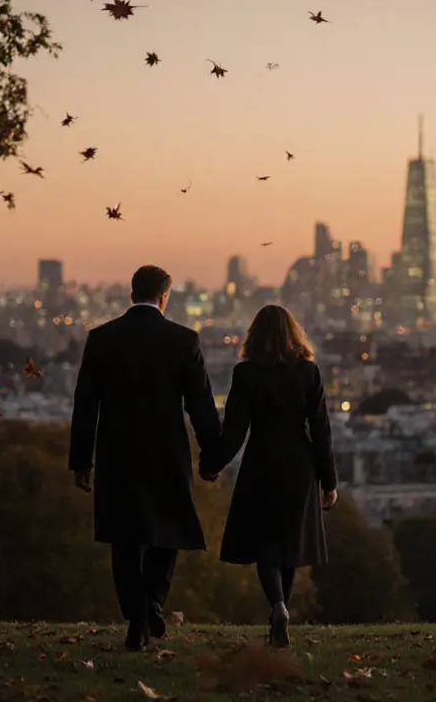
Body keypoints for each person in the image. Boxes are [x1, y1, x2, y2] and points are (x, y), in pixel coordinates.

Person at [68, 265, 221, 651]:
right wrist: (211, 456)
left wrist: (81, 461)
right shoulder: (183, 340)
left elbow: (85, 404)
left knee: (124, 538)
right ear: (164, 296)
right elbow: (201, 405)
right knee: (166, 531)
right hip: (166, 451)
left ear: (131, 292)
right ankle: (153, 600)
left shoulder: (101, 339)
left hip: (118, 452)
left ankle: (136, 616)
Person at [200, 304, 338, 649]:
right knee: (290, 545)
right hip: (300, 464)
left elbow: (235, 431)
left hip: (261, 461)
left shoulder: (246, 374)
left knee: (266, 545)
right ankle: (283, 611)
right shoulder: (308, 372)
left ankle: (277, 606)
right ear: (294, 333)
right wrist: (329, 480)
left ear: (255, 335)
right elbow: (321, 430)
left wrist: (213, 463)